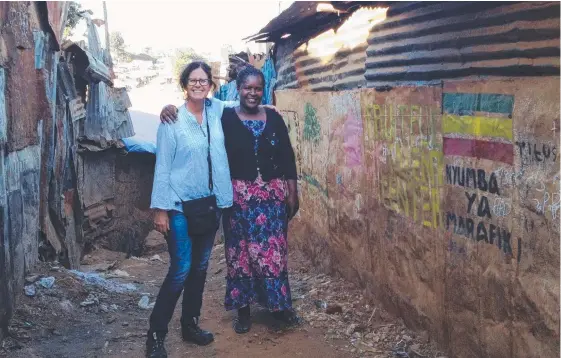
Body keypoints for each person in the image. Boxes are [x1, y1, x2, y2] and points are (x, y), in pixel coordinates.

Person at [159, 66, 301, 335]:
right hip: (237, 198)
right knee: (240, 254)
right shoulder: (223, 115)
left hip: (271, 197)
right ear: (238, 89)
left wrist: (292, 191)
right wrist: (169, 107)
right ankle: (244, 312)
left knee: (274, 253)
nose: (253, 92)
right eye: (247, 87)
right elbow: (196, 107)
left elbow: (287, 155)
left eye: (258, 88)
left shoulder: (273, 117)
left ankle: (279, 307)